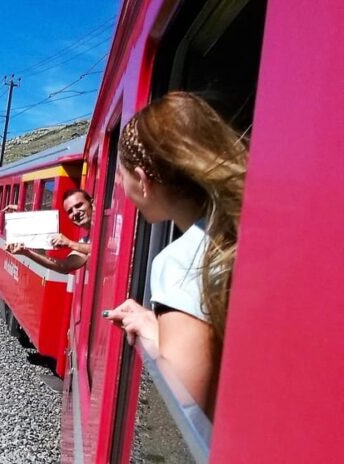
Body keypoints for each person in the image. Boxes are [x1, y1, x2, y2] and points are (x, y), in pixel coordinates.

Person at [103, 91, 248, 417]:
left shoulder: (179, 262)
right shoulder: (240, 234)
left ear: (142, 180)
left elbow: (187, 412)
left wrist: (154, 334)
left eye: (121, 177)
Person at [5, 189, 93, 274]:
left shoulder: (106, 229)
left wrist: (69, 243)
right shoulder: (85, 241)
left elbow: (102, 250)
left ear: (92, 203)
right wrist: (27, 252)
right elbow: (65, 266)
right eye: (70, 211)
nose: (75, 212)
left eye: (79, 205)